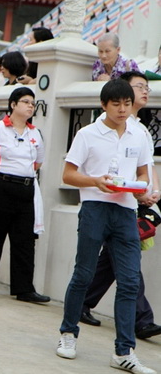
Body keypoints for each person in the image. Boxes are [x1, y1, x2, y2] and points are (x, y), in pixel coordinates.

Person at [56, 79, 156, 374]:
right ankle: (68, 334)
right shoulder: (87, 134)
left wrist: (142, 189)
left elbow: (142, 170)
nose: (123, 109)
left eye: (127, 103)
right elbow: (68, 174)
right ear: (104, 105)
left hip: (126, 210)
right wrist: (96, 181)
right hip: (95, 208)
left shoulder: (138, 135)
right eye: (117, 104)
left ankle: (124, 351)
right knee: (83, 274)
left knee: (129, 282)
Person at [80, 72, 161, 341]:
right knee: (120, 265)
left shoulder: (139, 130)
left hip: (131, 201)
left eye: (145, 88)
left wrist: (150, 192)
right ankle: (140, 320)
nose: (145, 92)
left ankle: (86, 303)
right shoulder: (98, 131)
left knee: (115, 262)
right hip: (103, 204)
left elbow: (145, 168)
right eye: (139, 87)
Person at [0, 87, 50, 303]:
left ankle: (24, 289)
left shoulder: (35, 133)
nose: (30, 106)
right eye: (25, 102)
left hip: (25, 188)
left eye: (32, 103)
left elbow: (39, 162)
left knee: (25, 240)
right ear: (13, 105)